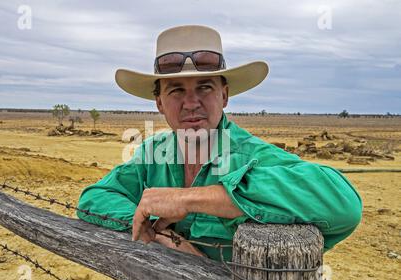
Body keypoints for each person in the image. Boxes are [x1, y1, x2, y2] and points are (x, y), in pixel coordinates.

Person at [76, 25, 362, 261]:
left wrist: (189, 199)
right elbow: (93, 198)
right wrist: (156, 232)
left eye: (205, 87)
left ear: (224, 96)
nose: (191, 103)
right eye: (176, 90)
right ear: (160, 103)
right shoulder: (154, 154)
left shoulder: (249, 154)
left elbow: (344, 204)